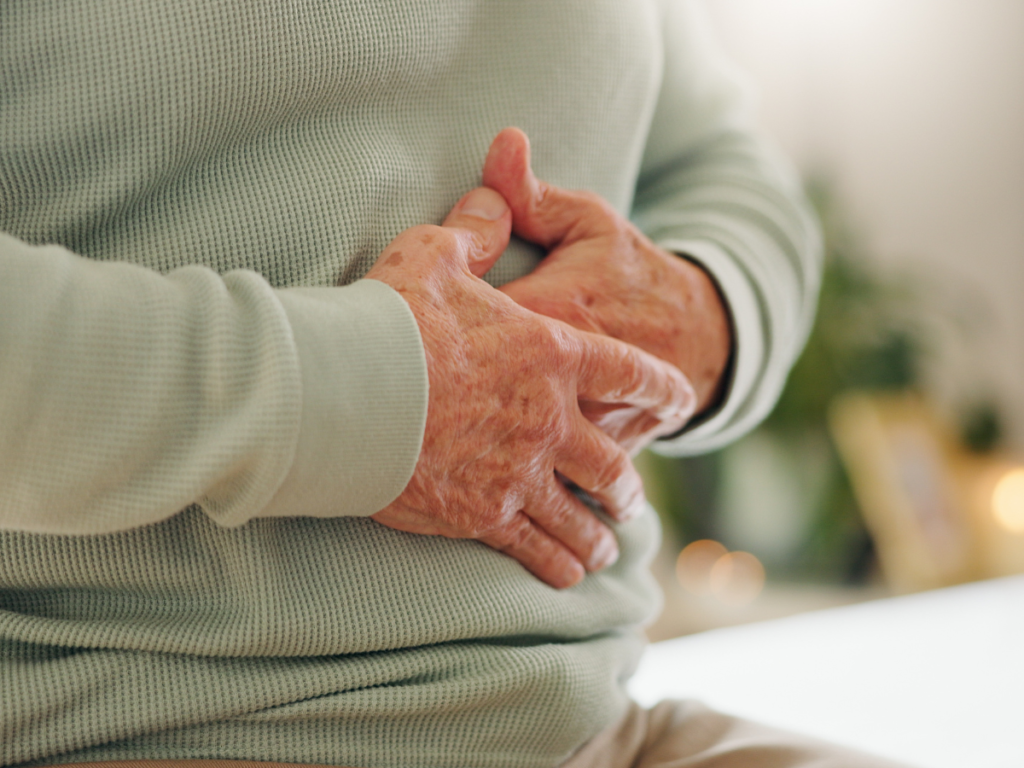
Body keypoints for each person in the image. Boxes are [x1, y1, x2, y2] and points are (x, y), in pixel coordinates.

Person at [0, 1, 907, 766]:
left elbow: (720, 162)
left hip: (601, 730)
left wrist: (704, 313)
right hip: (135, 726)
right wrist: (374, 394)